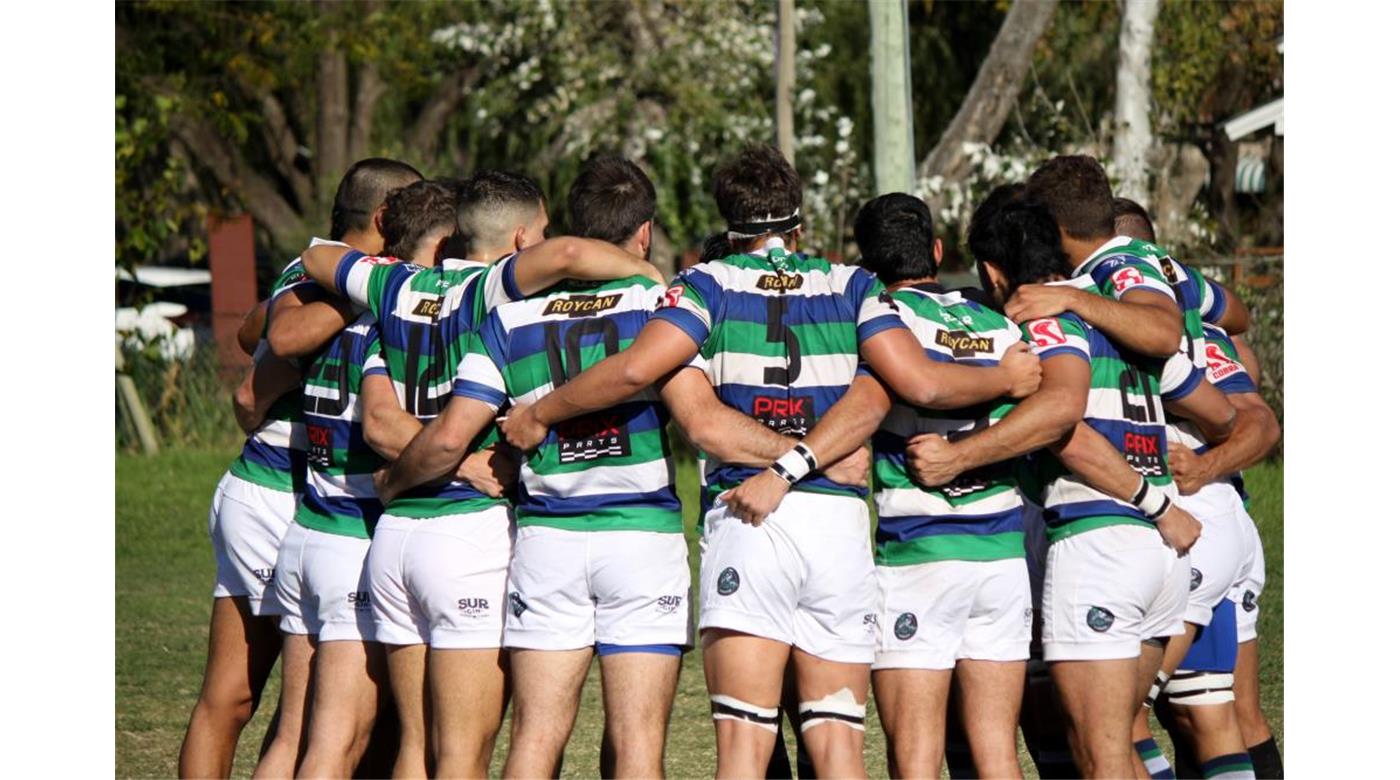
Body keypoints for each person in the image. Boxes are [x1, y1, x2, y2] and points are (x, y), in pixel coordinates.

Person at [500, 145, 1040, 777]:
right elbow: (896, 387)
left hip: (748, 518)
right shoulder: (852, 283)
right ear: (799, 223)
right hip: (835, 531)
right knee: (839, 749)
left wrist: (541, 412)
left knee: (744, 753)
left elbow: (683, 408)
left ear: (728, 220)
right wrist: (812, 458)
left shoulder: (702, 284)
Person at [297, 171, 664, 778]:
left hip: (395, 538)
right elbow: (571, 253)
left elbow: (316, 255)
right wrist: (648, 275)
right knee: (462, 758)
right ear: (521, 238)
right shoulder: (491, 292)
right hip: (468, 532)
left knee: (413, 748)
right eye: (541, 233)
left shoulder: (393, 283)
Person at [908, 191, 1197, 778]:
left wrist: (957, 456)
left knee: (1100, 757)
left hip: (1101, 542)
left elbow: (1062, 414)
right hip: (1155, 553)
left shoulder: (1048, 319)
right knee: (1120, 746)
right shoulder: (1109, 307)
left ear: (992, 270)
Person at [180, 158, 420, 780]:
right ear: (385, 218)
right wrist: (381, 291)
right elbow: (279, 347)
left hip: (303, 497)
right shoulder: (344, 274)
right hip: (275, 492)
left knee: (313, 713)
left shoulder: (325, 268)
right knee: (238, 696)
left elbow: (251, 333)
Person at [269, 180, 465, 778]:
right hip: (353, 536)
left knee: (293, 737)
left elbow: (263, 338)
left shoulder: (333, 306)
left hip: (307, 528)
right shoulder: (390, 315)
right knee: (337, 743)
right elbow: (383, 424)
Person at [848, 193, 1031, 779]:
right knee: (999, 756)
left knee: (917, 760)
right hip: (1004, 553)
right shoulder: (996, 321)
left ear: (867, 265)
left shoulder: (879, 320)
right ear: (936, 251)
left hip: (920, 555)